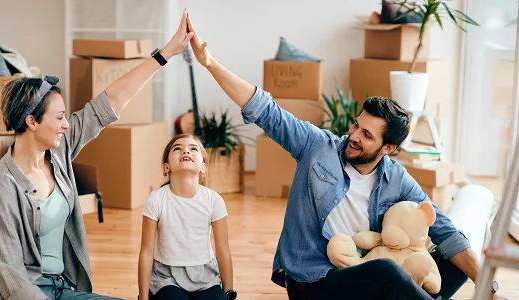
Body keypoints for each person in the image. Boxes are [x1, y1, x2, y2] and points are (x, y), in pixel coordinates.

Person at [184, 14, 500, 300]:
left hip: (366, 274)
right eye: (356, 125)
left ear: (388, 149)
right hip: (317, 282)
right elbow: (264, 109)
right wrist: (209, 62)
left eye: (367, 135)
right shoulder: (317, 147)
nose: (354, 136)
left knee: (455, 261)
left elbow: (444, 230)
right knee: (388, 273)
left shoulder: (396, 178)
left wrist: (490, 289)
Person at [0, 9, 194, 300]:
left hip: (60, 289)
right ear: (31, 122)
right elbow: (14, 283)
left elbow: (110, 101)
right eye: (60, 117)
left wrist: (166, 53)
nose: (67, 124)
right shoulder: (1, 189)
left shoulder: (58, 151)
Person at [137, 134, 236, 300]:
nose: (186, 151)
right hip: (166, 278)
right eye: (177, 148)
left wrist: (229, 292)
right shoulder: (155, 200)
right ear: (166, 167)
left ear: (203, 167)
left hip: (205, 277)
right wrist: (143, 297)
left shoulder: (214, 200)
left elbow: (223, 250)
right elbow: (146, 252)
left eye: (193, 148)